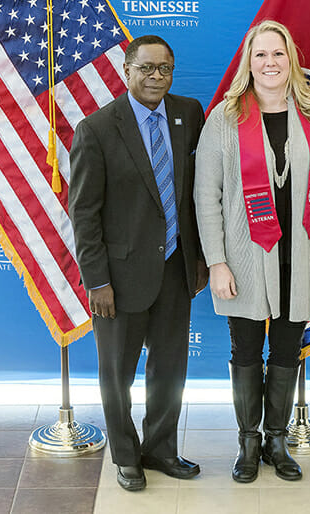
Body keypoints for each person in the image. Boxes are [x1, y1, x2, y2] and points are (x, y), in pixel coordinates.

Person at [194, 20, 310, 483]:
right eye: (261, 55)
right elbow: (206, 194)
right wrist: (217, 261)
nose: (270, 63)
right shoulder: (225, 116)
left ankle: (276, 441)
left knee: (286, 347)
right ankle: (248, 443)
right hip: (243, 254)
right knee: (246, 349)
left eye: (278, 54)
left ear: (290, 59)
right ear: (249, 62)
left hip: (301, 253)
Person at [69, 35, 208, 491]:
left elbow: (196, 196)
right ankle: (126, 456)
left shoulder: (190, 114)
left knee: (170, 368)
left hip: (175, 268)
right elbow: (84, 214)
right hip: (119, 278)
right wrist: (97, 281)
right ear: (126, 71)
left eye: (164, 68)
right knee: (117, 374)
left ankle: (161, 449)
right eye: (146, 68)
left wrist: (201, 260)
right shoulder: (97, 129)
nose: (156, 77)